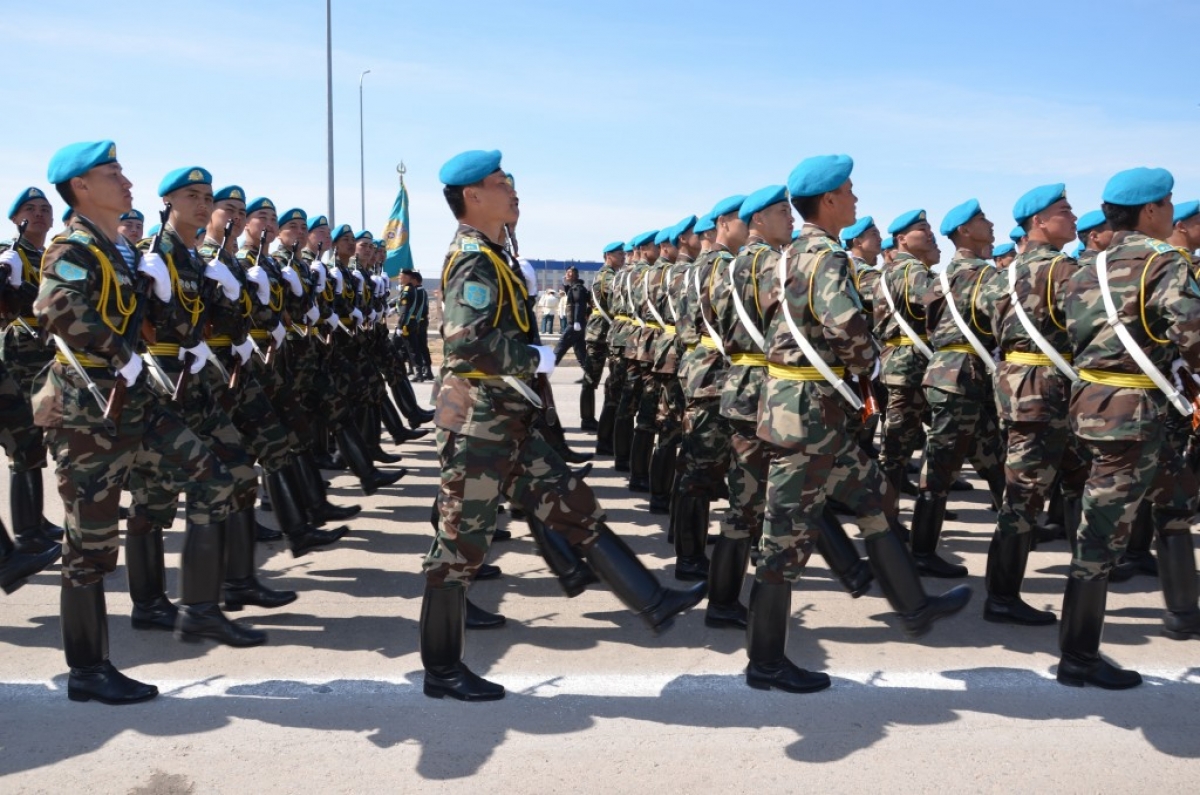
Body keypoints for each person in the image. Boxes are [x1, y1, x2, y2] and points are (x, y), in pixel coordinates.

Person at [421, 149, 703, 701]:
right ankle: (442, 670)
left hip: (506, 419)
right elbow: (466, 342)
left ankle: (652, 600)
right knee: (458, 548)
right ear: (473, 196)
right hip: (478, 423)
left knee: (572, 503)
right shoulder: (473, 259)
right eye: (502, 183)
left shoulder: (495, 253)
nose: (514, 190)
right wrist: (535, 358)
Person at [751, 154, 970, 692]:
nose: (855, 199)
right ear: (828, 201)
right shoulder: (825, 255)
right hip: (808, 415)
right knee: (783, 537)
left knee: (872, 493)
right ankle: (765, 662)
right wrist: (867, 361)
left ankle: (914, 606)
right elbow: (843, 322)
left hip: (800, 404)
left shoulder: (785, 256)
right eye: (849, 191)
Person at [35, 140, 237, 704]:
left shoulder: (118, 250)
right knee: (90, 548)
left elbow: (147, 320)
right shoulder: (71, 246)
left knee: (214, 476)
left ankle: (194, 607)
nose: (126, 183)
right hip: (87, 410)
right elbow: (56, 309)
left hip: (136, 402)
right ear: (81, 187)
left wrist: (168, 304)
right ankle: (88, 671)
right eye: (113, 174)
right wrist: (116, 351)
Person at [1061, 167, 1200, 689]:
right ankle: (1077, 657)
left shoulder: (1085, 268)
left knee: (1176, 500)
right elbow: (1191, 330)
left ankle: (1184, 610)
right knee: (1099, 535)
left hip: (1100, 404)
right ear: (1151, 211)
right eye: (1168, 204)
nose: (1171, 213)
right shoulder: (1163, 263)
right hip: (1135, 413)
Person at [910, 199, 1006, 581]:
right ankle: (920, 552)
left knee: (993, 457)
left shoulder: (943, 276)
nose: (991, 223)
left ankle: (1019, 532)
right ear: (965, 231)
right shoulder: (983, 276)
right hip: (962, 377)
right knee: (940, 466)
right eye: (983, 219)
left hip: (953, 374)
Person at [1, 187, 66, 554]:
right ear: (16, 219)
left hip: (47, 355)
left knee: (37, 441)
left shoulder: (50, 256)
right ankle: (27, 533)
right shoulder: (9, 255)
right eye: (30, 208)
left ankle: (37, 523)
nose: (40, 214)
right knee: (24, 441)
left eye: (45, 208)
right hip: (21, 357)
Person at [581, 242, 624, 434]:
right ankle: (588, 419)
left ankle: (592, 418)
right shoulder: (608, 276)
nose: (623, 256)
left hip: (603, 331)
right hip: (600, 332)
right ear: (608, 255)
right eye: (619, 253)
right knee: (592, 377)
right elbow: (616, 302)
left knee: (600, 377)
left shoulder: (609, 274)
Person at [553, 266, 589, 366]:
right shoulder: (575, 287)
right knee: (581, 352)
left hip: (574, 324)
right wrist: (564, 283)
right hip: (577, 324)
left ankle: (545, 371)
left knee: (560, 347)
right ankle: (590, 375)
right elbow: (569, 291)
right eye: (567, 273)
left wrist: (577, 321)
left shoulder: (577, 288)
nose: (567, 275)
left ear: (575, 275)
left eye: (570, 273)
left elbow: (578, 304)